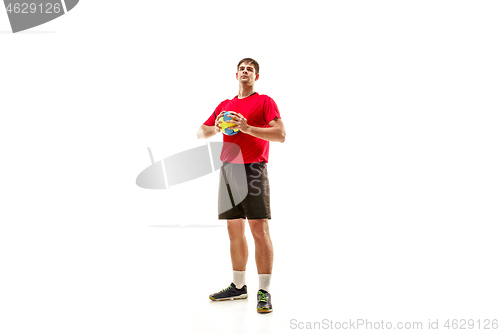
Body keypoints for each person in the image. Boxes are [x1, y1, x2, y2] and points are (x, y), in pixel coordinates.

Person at [196, 58, 286, 313]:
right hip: (228, 170)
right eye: (242, 69)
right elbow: (200, 133)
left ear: (256, 76)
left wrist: (246, 128)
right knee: (234, 230)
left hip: (253, 168)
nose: (246, 72)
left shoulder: (265, 101)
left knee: (259, 228)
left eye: (251, 69)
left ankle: (264, 291)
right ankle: (238, 287)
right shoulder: (225, 105)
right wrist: (216, 127)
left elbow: (281, 135)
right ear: (236, 74)